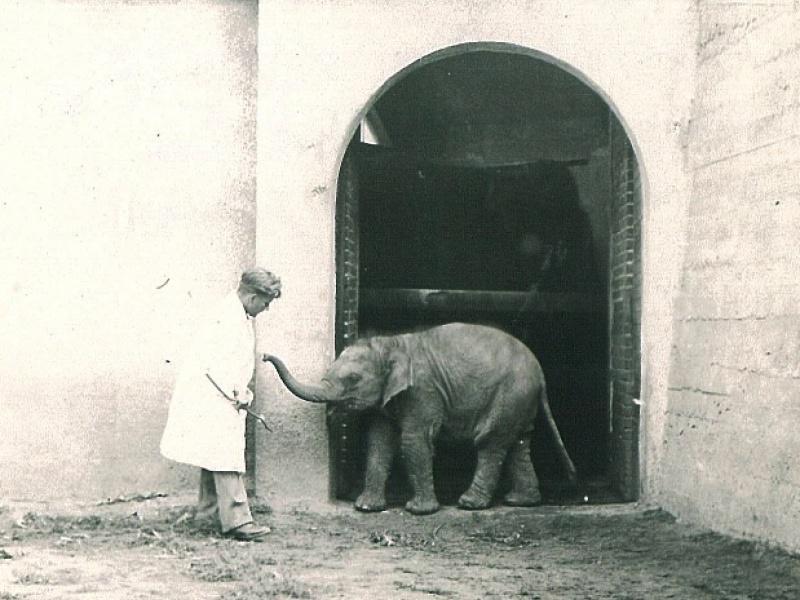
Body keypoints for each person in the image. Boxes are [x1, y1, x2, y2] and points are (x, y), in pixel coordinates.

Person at [160, 267, 282, 541]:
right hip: (213, 395)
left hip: (219, 395)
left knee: (213, 453)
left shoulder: (238, 315)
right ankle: (238, 520)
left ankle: (209, 513)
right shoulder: (225, 318)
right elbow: (212, 365)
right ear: (252, 296)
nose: (266, 308)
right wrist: (237, 393)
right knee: (226, 456)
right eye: (266, 302)